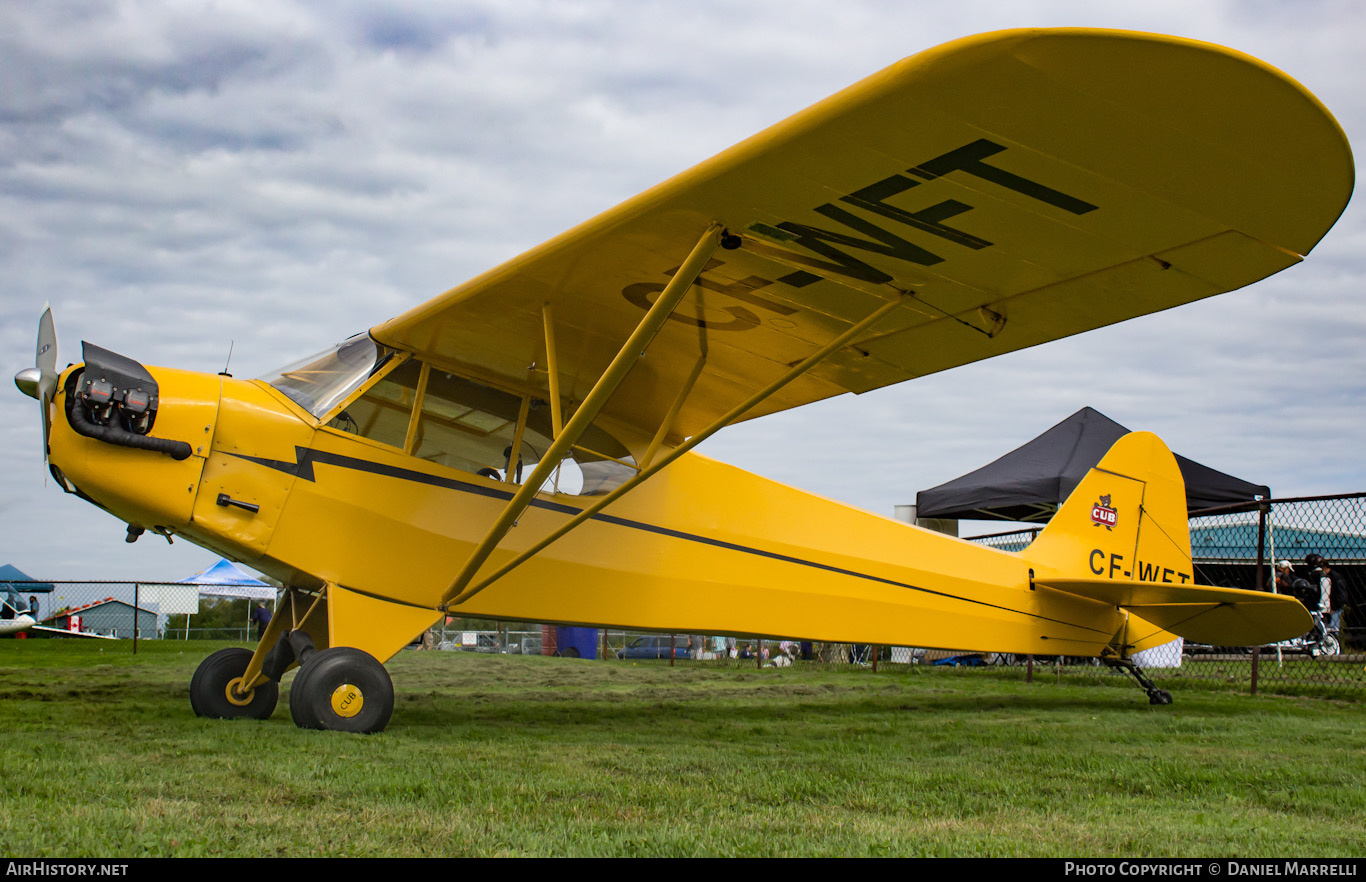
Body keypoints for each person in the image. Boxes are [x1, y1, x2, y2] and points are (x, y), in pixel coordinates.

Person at [1305, 554, 1349, 634]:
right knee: (1325, 630)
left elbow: (1341, 594)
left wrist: (1334, 607)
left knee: (1330, 631)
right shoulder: (1324, 577)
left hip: (1331, 608)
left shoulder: (1331, 577)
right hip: (1326, 607)